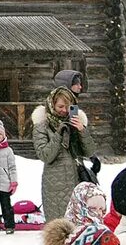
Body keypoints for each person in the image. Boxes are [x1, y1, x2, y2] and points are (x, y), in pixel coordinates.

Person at [32, 85, 96, 221]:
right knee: (60, 230)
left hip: (77, 181)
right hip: (56, 184)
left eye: (68, 107)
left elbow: (89, 151)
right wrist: (59, 134)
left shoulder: (76, 123)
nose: (64, 111)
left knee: (80, 227)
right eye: (60, 106)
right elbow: (45, 155)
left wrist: (82, 131)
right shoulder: (42, 126)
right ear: (52, 104)